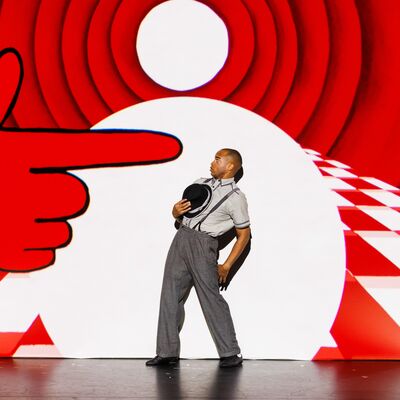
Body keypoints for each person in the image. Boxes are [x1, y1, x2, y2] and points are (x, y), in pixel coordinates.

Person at [146, 148, 251, 368]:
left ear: (230, 166)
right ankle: (167, 352)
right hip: (181, 237)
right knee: (170, 294)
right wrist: (175, 212)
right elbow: (183, 214)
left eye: (217, 159)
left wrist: (227, 265)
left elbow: (244, 235)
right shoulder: (200, 183)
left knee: (210, 297)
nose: (212, 163)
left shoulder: (236, 197)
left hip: (204, 245)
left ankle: (230, 353)